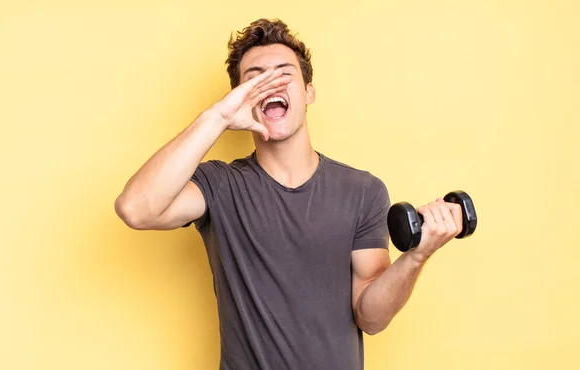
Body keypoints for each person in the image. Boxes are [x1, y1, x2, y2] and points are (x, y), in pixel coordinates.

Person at [114, 18, 463, 370]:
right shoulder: (219, 185)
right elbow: (135, 208)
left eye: (283, 74)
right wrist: (217, 117)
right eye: (254, 80)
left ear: (308, 91)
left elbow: (371, 319)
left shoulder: (362, 191)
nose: (269, 85)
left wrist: (416, 258)